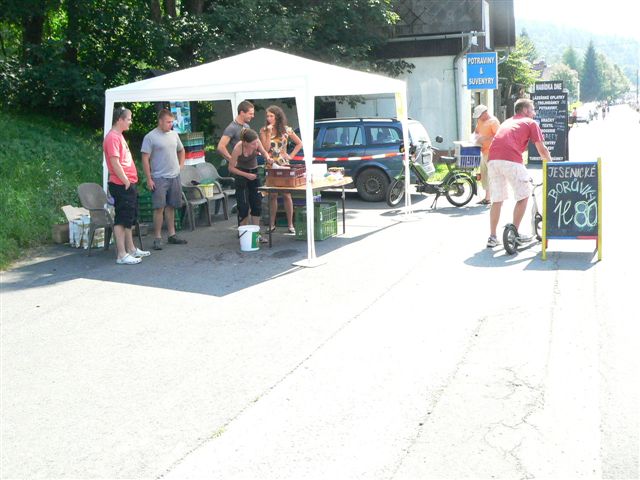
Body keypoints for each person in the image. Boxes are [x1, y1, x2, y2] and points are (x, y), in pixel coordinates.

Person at [486, 98, 551, 248]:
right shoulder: (530, 122)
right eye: (533, 110)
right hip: (511, 159)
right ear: (526, 110)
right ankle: (514, 233)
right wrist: (552, 167)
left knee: (497, 199)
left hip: (493, 160)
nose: (534, 113)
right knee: (524, 195)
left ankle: (492, 237)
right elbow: (542, 150)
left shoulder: (507, 122)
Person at [103, 106, 150, 265]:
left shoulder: (119, 136)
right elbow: (115, 163)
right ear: (120, 120)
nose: (130, 122)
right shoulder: (112, 138)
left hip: (127, 183)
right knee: (122, 219)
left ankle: (131, 249)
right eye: (128, 119)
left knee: (129, 217)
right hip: (121, 184)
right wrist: (126, 181)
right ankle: (121, 254)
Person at [141, 109, 188, 251]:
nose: (170, 124)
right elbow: (145, 158)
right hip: (159, 177)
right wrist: (149, 178)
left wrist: (180, 166)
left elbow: (181, 150)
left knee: (171, 206)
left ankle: (172, 234)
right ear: (160, 121)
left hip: (174, 176)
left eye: (172, 122)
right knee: (159, 207)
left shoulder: (174, 134)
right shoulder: (150, 137)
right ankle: (157, 237)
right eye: (168, 122)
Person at [259, 105, 303, 233]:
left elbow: (299, 143)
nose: (269, 118)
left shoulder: (286, 129)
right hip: (270, 164)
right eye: (267, 116)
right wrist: (268, 133)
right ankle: (272, 224)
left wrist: (291, 155)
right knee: (272, 195)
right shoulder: (263, 130)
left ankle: (290, 224)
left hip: (283, 164)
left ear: (277, 117)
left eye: (271, 116)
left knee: (286, 194)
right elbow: (265, 149)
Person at [228, 128, 265, 229]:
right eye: (253, 144)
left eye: (256, 143)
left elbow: (264, 152)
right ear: (245, 143)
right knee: (243, 205)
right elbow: (231, 168)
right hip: (241, 173)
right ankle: (243, 230)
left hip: (254, 171)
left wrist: (268, 158)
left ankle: (256, 231)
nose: (255, 145)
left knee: (256, 203)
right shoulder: (238, 148)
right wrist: (246, 175)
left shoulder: (256, 141)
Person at [472, 104, 500, 205]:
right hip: (483, 151)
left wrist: (485, 138)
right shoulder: (480, 121)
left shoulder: (494, 122)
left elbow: (499, 137)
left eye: (480, 115)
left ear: (485, 113)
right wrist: (475, 138)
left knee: (492, 175)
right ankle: (487, 198)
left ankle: (496, 198)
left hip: (492, 152)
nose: (478, 118)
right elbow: (476, 131)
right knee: (484, 175)